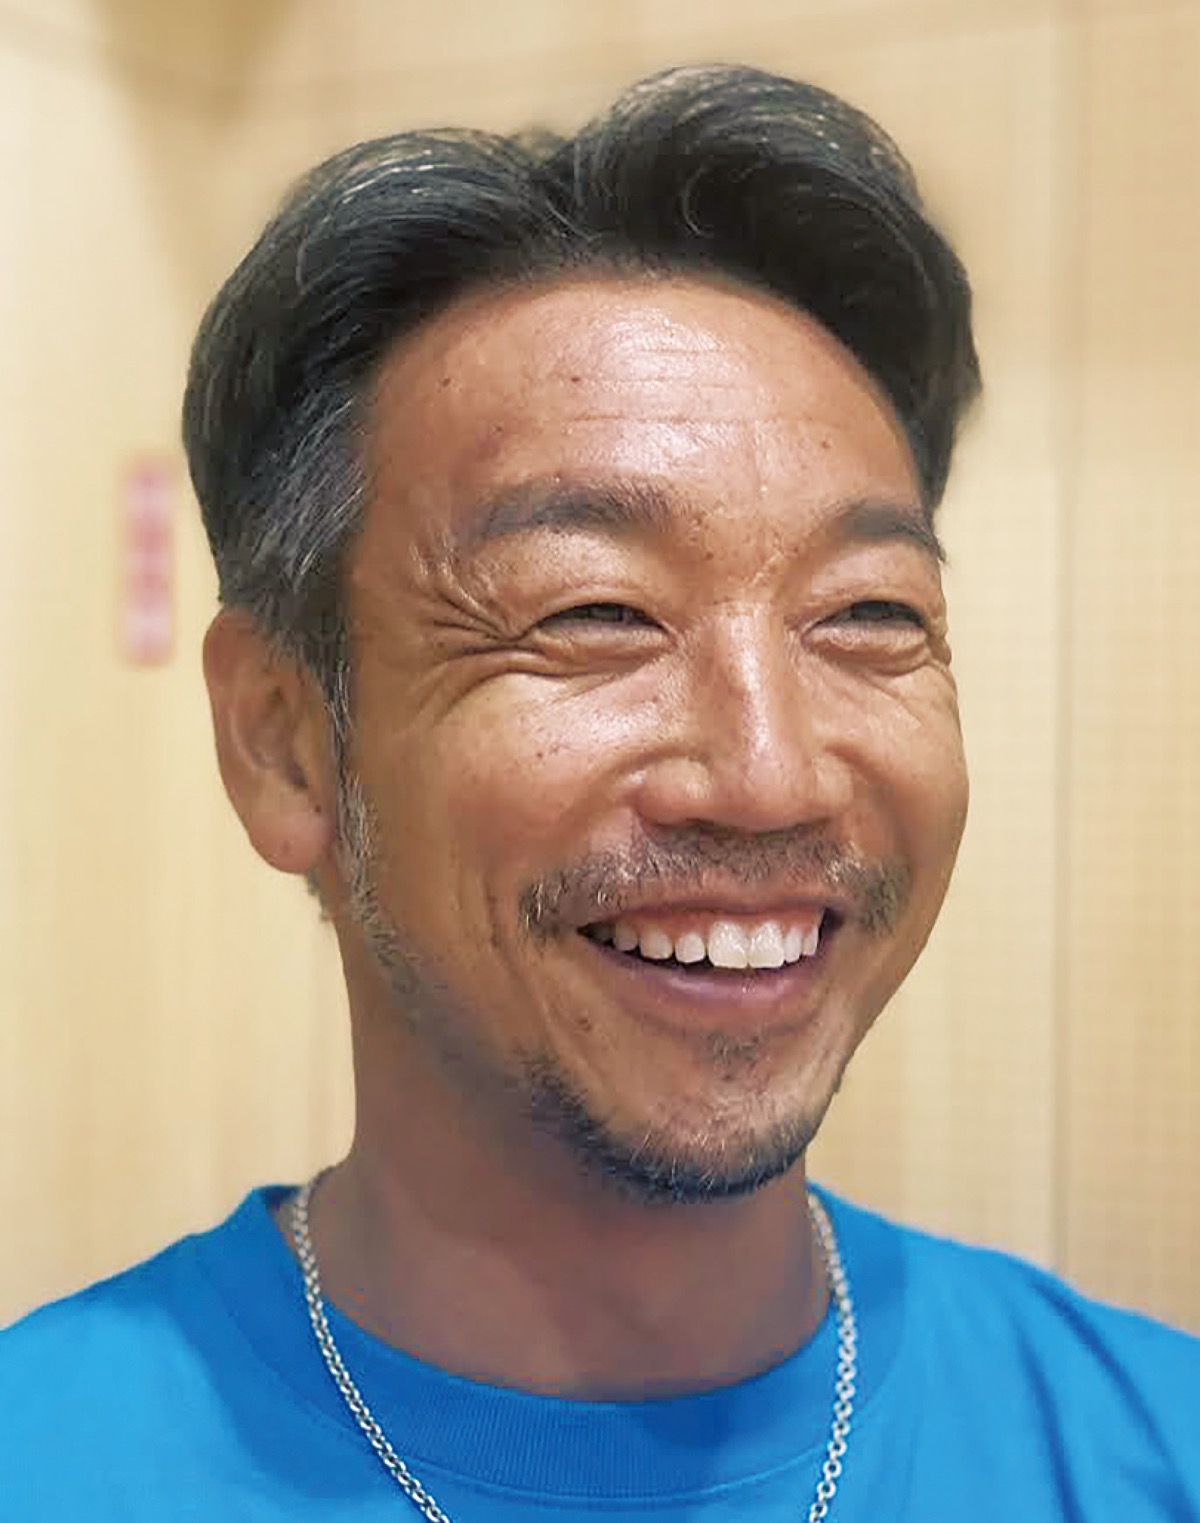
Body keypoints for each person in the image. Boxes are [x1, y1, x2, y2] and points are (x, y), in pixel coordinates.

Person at [2, 63, 1197, 1522]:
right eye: (593, 614)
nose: (769, 775)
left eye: (868, 615)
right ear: (285, 744)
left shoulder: (1148, 1451)